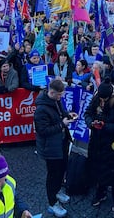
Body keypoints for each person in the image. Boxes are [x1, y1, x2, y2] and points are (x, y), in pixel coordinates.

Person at [84, 81, 114, 212]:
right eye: (101, 99)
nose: (102, 102)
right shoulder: (96, 98)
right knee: (98, 169)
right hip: (97, 141)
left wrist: (105, 126)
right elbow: (87, 113)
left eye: (105, 99)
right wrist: (91, 123)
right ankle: (100, 193)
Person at [34, 78, 75, 217]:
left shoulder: (55, 100)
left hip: (60, 142)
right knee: (53, 174)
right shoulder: (41, 109)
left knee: (62, 169)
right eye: (59, 95)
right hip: (50, 147)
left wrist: (68, 116)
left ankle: (57, 191)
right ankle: (52, 203)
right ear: (51, 92)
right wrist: (62, 124)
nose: (61, 97)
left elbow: (61, 111)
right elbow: (43, 131)